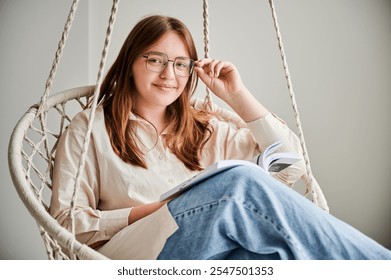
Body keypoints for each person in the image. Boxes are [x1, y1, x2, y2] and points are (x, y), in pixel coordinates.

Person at [50, 15, 391, 260]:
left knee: (271, 256)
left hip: (211, 253)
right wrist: (156, 210)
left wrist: (237, 94)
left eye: (181, 64)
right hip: (139, 259)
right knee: (239, 182)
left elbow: (289, 166)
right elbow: (66, 223)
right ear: (130, 63)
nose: (170, 74)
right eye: (156, 60)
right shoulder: (90, 129)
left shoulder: (205, 127)